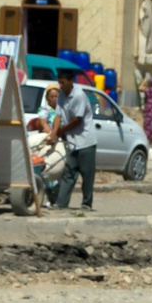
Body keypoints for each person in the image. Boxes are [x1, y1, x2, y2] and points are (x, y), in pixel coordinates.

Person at [45, 74, 101, 210]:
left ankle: (87, 203)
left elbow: (77, 120)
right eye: (59, 83)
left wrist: (62, 131)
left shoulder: (79, 96)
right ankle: (61, 203)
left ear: (71, 81)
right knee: (68, 173)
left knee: (87, 174)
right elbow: (58, 117)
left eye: (63, 82)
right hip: (71, 141)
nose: (61, 86)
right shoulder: (61, 97)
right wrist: (53, 135)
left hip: (85, 141)